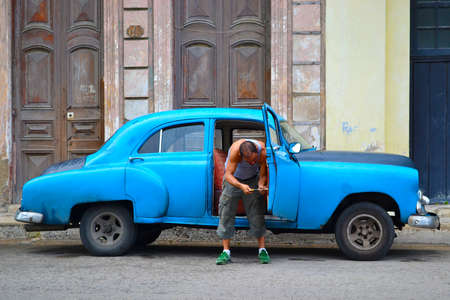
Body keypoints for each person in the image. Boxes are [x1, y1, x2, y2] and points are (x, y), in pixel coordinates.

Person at [216, 139, 269, 264]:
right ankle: (225, 252)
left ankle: (262, 250)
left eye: (254, 160)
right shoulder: (235, 151)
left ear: (257, 152)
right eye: (248, 161)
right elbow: (228, 175)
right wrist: (241, 186)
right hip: (233, 181)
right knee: (226, 212)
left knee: (256, 212)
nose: (252, 163)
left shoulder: (262, 151)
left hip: (252, 179)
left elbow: (262, 174)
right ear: (241, 156)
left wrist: (261, 185)